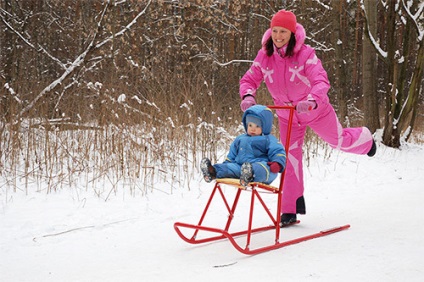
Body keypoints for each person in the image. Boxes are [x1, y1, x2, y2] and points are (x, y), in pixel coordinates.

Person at [239, 10, 377, 226]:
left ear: (292, 32)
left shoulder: (306, 54)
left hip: (315, 111)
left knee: (338, 141)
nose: (278, 36)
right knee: (289, 159)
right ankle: (290, 209)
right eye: (274, 30)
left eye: (283, 31)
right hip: (288, 117)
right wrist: (248, 96)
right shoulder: (265, 56)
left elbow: (321, 80)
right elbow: (249, 79)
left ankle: (365, 140)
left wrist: (312, 100)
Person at [201, 104, 286, 187]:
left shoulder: (269, 139)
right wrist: (227, 165)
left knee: (263, 169)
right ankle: (212, 172)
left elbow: (278, 151)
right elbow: (232, 154)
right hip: (240, 167)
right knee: (229, 168)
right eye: (250, 125)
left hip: (260, 166)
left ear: (265, 127)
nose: (253, 129)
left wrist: (277, 162)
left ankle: (250, 174)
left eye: (257, 126)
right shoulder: (241, 138)